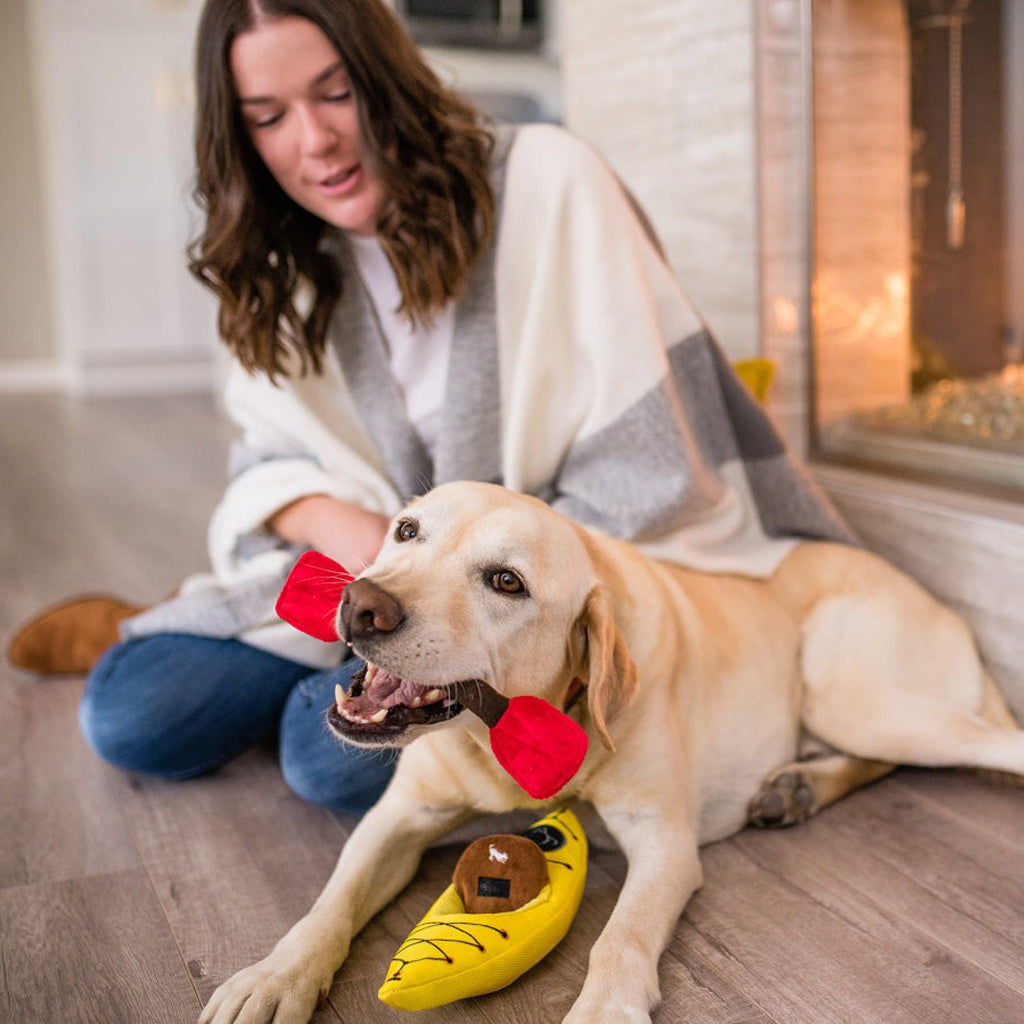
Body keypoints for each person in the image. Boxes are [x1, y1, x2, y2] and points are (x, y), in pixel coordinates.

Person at [7, 0, 853, 813]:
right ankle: (211, 634)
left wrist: (450, 594)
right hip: (355, 580)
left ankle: (317, 671)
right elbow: (267, 463)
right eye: (267, 116)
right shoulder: (278, 255)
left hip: (491, 615)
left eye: (337, 92)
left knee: (324, 761)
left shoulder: (552, 183)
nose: (315, 141)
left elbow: (652, 460)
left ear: (388, 76)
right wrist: (342, 529)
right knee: (127, 714)